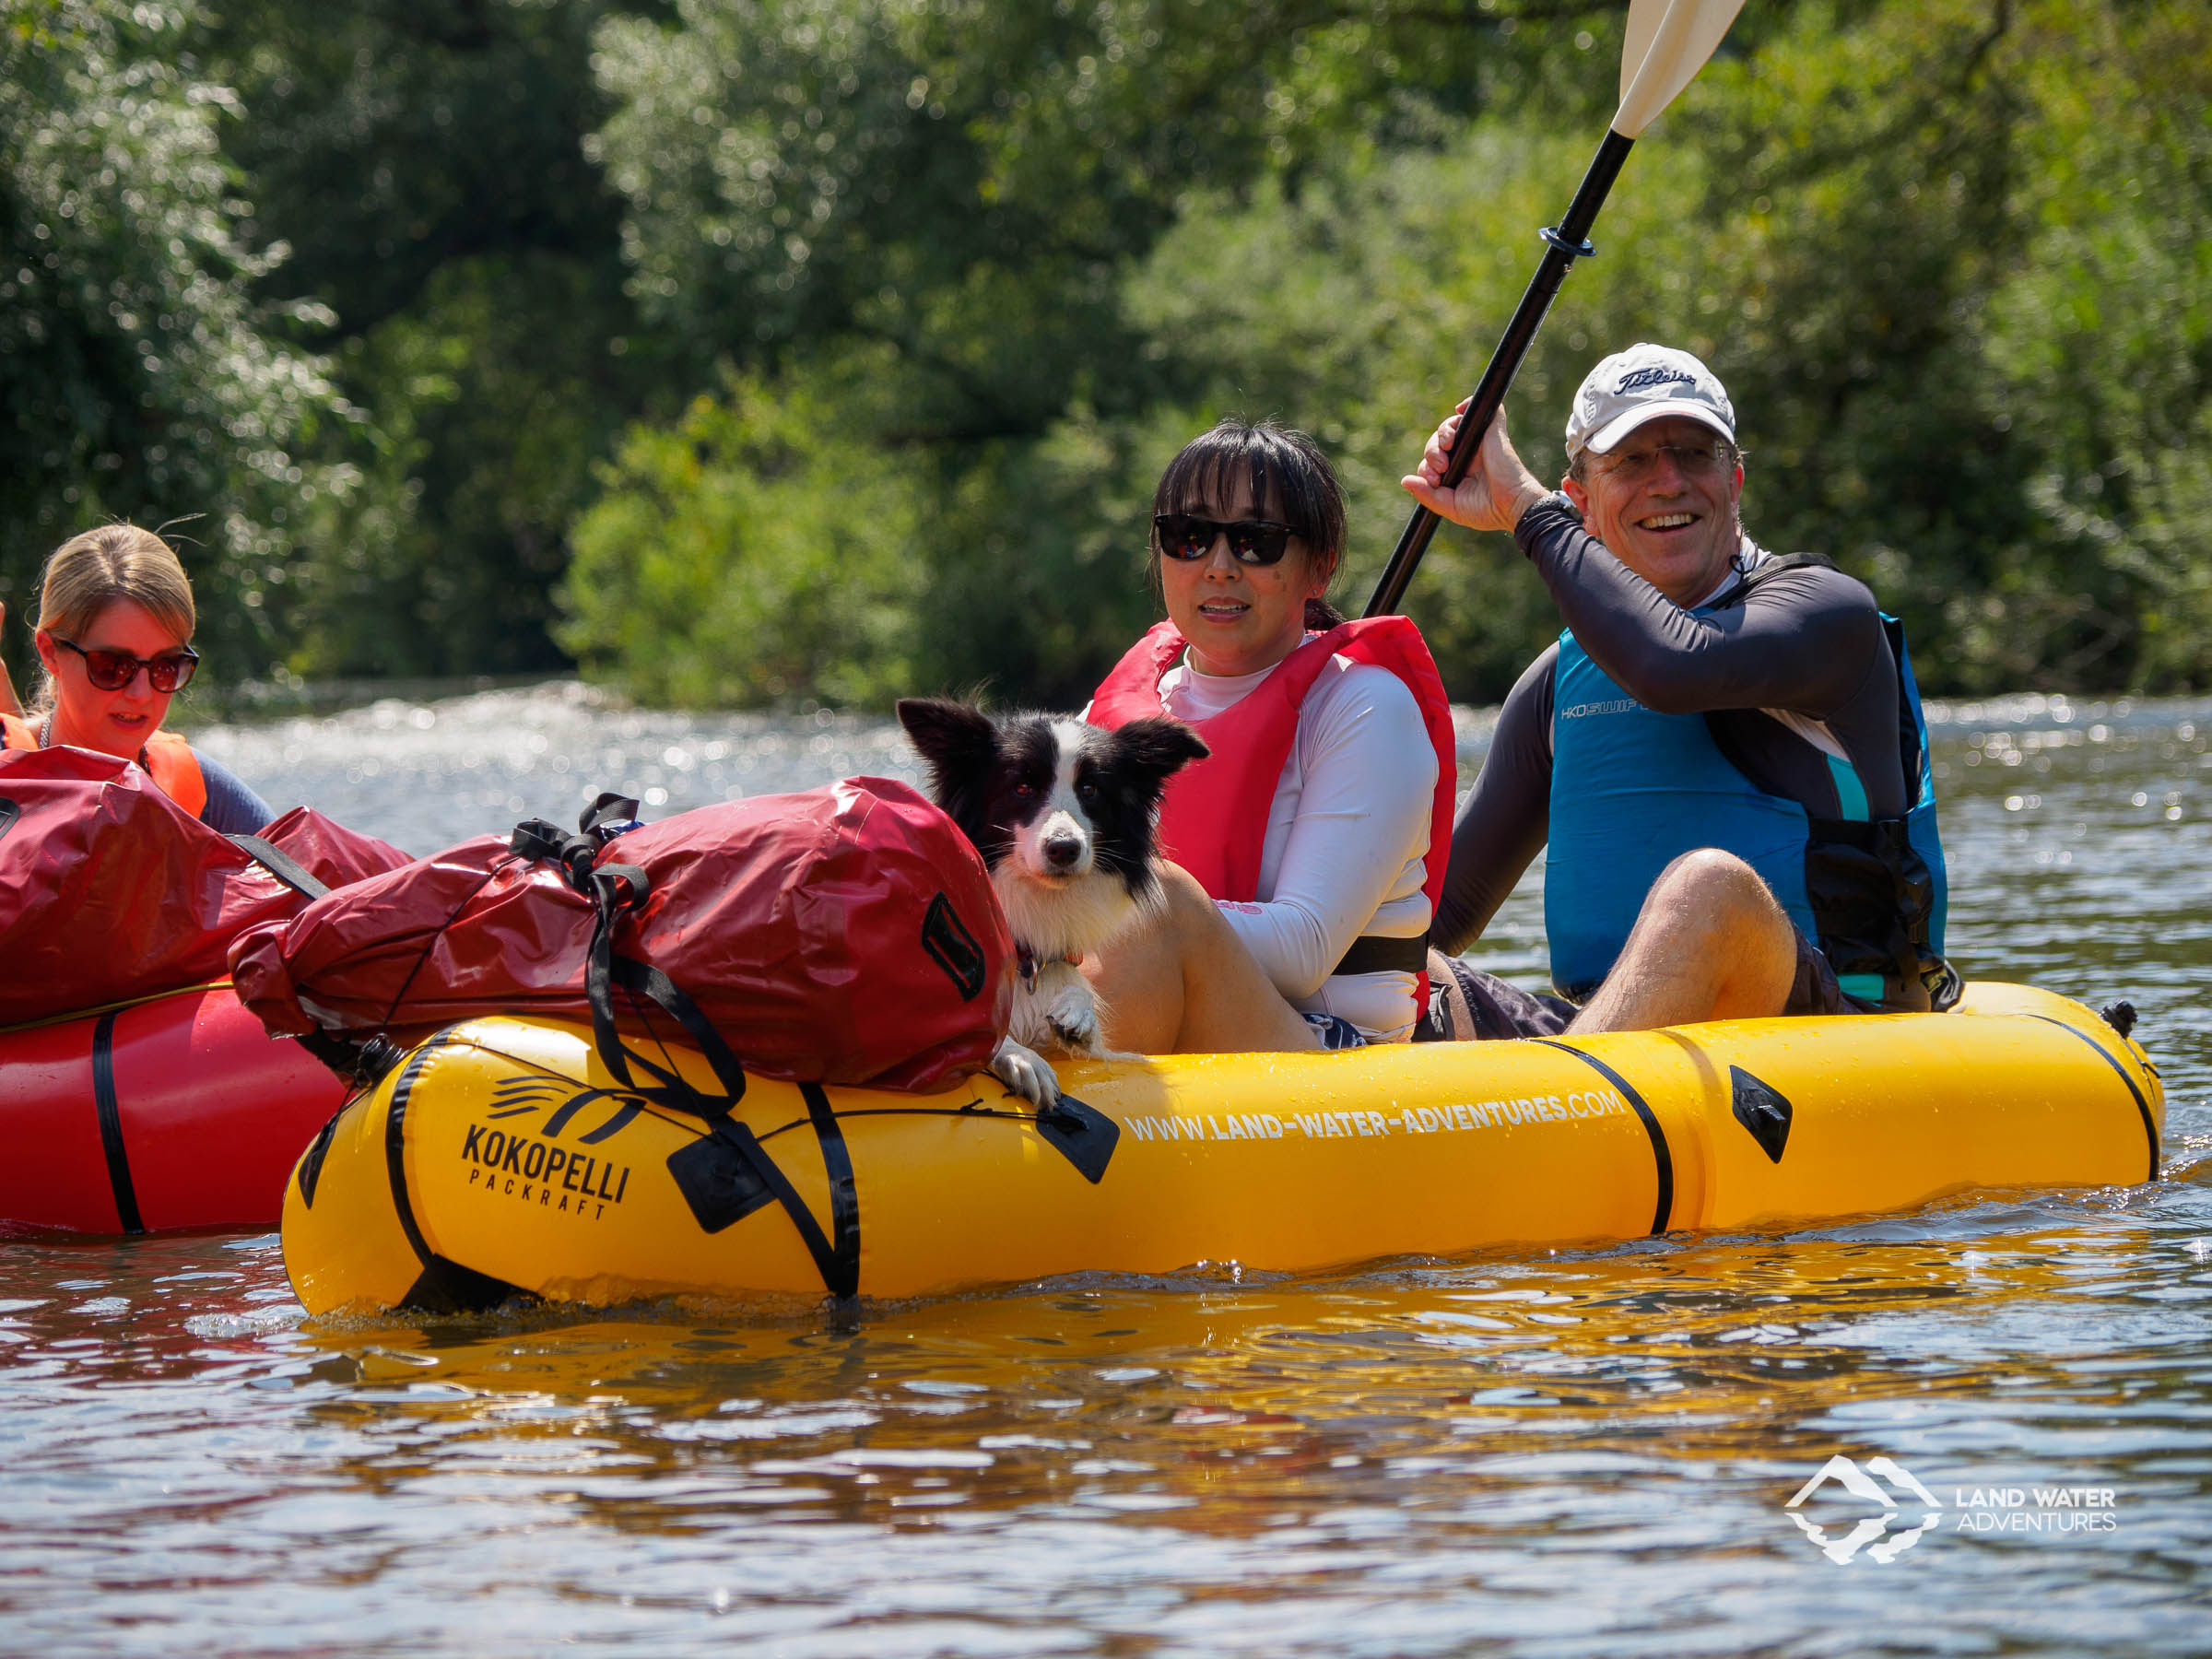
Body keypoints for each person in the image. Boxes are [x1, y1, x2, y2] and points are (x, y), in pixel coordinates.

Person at [1400, 343, 1953, 1034]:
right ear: (1584, 503)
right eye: (1631, 460)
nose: (1668, 481)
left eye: (1696, 454)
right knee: (1393, 960)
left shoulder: (1828, 615)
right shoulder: (1556, 684)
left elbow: (1672, 666)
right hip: (1617, 1038)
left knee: (1710, 889)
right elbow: (1438, 916)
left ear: (1735, 483)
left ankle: (1580, 1111)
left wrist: (1524, 508)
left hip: (1821, 1027)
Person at [1087, 419, 1457, 1053]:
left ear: (1319, 568)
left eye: (1256, 542)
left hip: (1335, 1059)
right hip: (1179, 1032)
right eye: (1191, 537)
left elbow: (1301, 949)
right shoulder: (1121, 716)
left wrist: (1097, 911)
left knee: (1158, 898)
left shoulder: (1365, 706)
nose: (1220, 567)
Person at [1, 525, 275, 833]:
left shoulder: (201, 793)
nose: (141, 693)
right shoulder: (5, 767)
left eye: (166, 666)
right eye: (113, 666)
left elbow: (316, 873)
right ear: (50, 652)